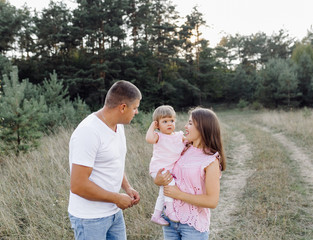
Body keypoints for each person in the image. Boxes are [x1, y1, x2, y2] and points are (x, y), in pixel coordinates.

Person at [68, 80, 141, 240]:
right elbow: (78, 185)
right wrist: (117, 198)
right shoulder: (88, 132)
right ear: (122, 107)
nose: (136, 112)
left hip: (114, 214)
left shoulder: (118, 126)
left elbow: (114, 163)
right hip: (90, 219)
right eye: (134, 108)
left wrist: (127, 187)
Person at [154, 107, 226, 240]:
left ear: (203, 127)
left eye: (191, 123)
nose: (186, 126)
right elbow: (164, 171)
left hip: (193, 226)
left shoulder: (210, 160)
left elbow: (212, 201)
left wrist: (178, 194)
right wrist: (158, 180)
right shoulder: (182, 148)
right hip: (169, 220)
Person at [145, 105, 186, 226]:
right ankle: (169, 210)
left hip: (169, 170)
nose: (169, 124)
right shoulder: (159, 136)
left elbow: (188, 141)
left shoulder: (178, 135)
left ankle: (156, 215)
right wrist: (152, 126)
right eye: (165, 121)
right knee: (170, 184)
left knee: (163, 193)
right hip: (159, 169)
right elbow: (148, 139)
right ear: (157, 124)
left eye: (172, 121)